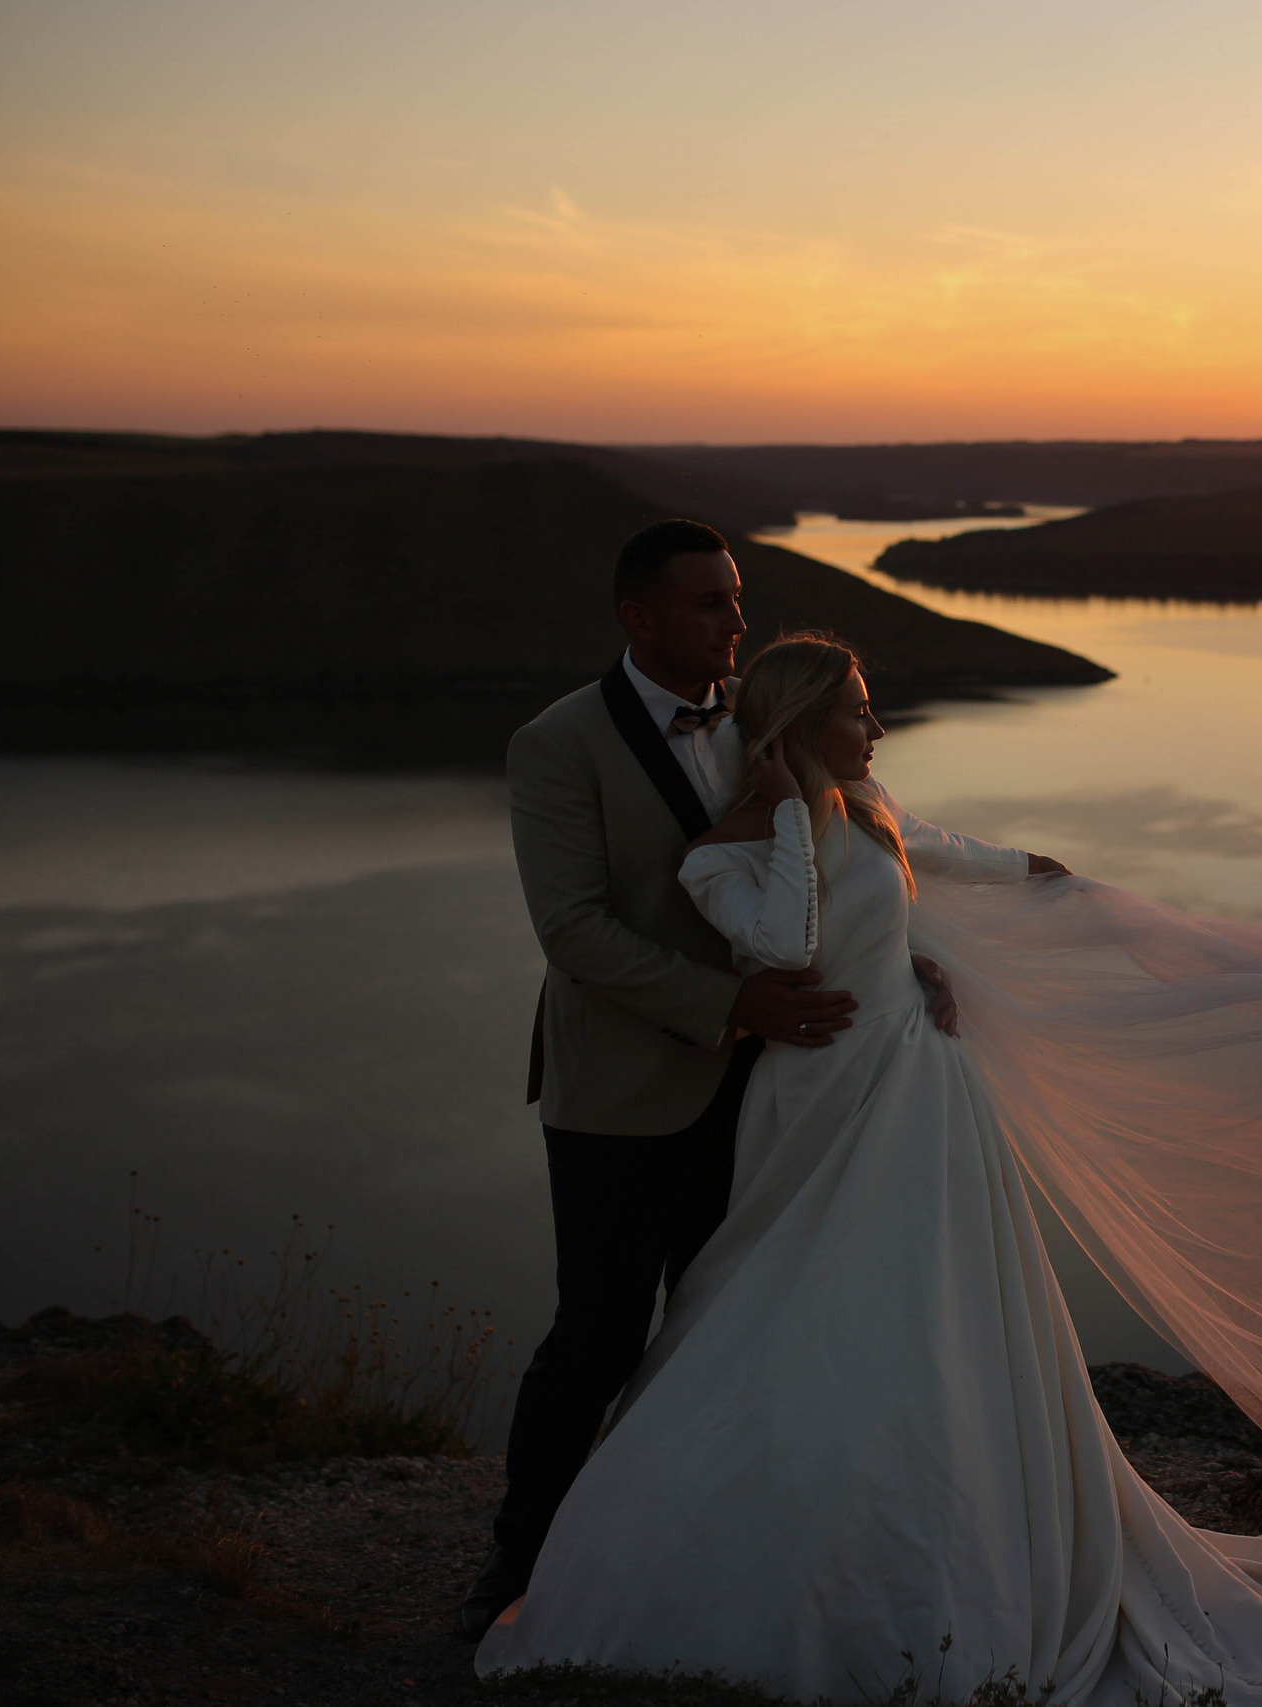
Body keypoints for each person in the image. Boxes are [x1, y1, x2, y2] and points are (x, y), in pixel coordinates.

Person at [474, 633, 1262, 1701]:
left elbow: (944, 864)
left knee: (932, 1313)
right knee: (782, 1295)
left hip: (917, 1092)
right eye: (858, 714)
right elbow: (790, 938)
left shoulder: (869, 811)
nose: (878, 730)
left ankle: (931, 1513)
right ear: (807, 720)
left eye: (872, 713)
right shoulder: (739, 847)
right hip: (814, 1099)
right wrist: (784, 812)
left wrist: (1047, 885)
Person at [462, 521, 955, 1638]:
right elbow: (573, 931)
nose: (737, 622)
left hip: (766, 1093)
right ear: (637, 618)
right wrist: (736, 1003)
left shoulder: (768, 718)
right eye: (708, 605)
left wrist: (903, 960)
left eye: (736, 599)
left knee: (736, 1326)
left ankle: (705, 1570)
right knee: (596, 1336)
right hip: (623, 1092)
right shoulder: (558, 744)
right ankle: (519, 1562)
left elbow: (841, 857)